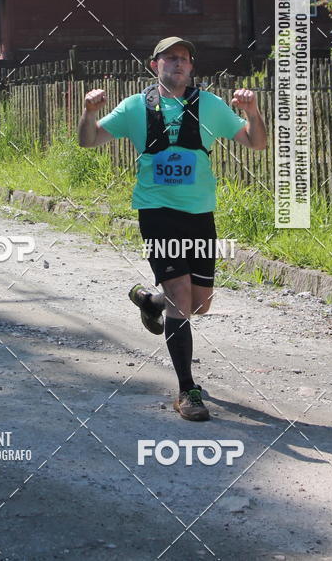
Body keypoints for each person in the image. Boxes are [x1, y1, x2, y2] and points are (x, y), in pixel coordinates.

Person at [77, 37, 267, 421]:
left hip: (199, 216)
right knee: (181, 297)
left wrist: (252, 111)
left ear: (192, 69)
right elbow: (90, 139)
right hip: (156, 212)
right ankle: (187, 391)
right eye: (170, 58)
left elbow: (256, 142)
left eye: (184, 59)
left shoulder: (209, 105)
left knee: (198, 304)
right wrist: (87, 111)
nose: (178, 64)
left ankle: (150, 301)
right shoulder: (135, 106)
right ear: (154, 65)